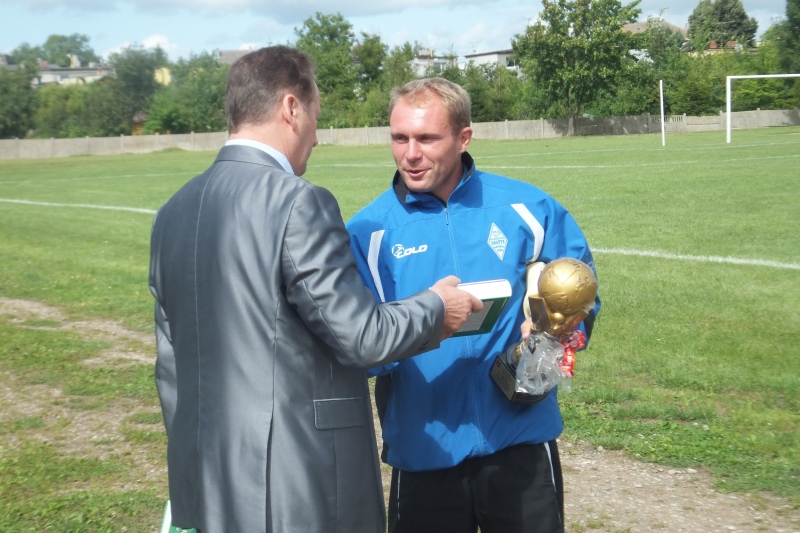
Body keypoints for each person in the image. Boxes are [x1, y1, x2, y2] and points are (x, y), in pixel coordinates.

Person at [148, 49, 481, 533]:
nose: (317, 136)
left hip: (204, 481)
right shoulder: (298, 202)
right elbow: (361, 337)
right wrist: (437, 307)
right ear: (291, 108)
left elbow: (171, 368)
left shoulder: (171, 212)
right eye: (316, 117)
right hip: (295, 482)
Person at [346, 77, 601, 533]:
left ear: (464, 137)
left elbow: (581, 286)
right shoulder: (368, 233)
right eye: (399, 137)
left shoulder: (527, 207)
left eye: (427, 138)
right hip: (427, 450)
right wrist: (416, 329)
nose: (410, 153)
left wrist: (558, 337)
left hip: (521, 440)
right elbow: (356, 344)